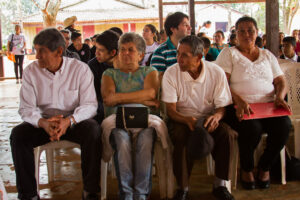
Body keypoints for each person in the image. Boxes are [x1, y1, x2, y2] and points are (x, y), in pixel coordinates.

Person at [10, 28, 101, 200]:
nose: (37, 57)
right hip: (44, 123)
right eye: (36, 51)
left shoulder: (80, 69)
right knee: (18, 135)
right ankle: (28, 195)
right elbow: (26, 108)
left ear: (59, 51)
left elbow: (90, 105)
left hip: (73, 121)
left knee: (93, 130)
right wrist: (43, 123)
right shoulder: (31, 72)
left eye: (41, 52)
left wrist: (69, 121)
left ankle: (91, 190)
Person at [216, 16, 291, 190]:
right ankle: (247, 168)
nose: (246, 34)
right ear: (235, 34)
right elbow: (221, 83)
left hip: (267, 107)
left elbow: (281, 81)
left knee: (284, 126)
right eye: (241, 31)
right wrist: (238, 99)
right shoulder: (229, 53)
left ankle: (264, 167)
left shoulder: (267, 55)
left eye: (250, 30)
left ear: (257, 32)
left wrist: (279, 96)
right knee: (252, 129)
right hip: (237, 107)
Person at [162, 35, 236, 200]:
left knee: (227, 134)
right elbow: (171, 111)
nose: (179, 59)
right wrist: (187, 120)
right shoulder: (171, 73)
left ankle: (220, 184)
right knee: (180, 136)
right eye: (178, 54)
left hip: (207, 118)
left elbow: (222, 106)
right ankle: (183, 187)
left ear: (199, 57)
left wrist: (216, 116)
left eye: (184, 55)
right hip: (181, 119)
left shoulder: (215, 72)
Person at [101, 32, 159, 200]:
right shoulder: (109, 74)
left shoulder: (150, 71)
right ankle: (126, 194)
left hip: (145, 122)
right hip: (118, 122)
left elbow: (151, 92)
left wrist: (119, 97)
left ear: (141, 54)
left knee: (146, 139)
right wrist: (145, 100)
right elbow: (108, 100)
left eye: (131, 50)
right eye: (122, 49)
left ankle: (141, 194)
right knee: (122, 140)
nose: (125, 53)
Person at [88, 30, 120, 123]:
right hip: (101, 108)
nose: (96, 53)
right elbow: (94, 97)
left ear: (113, 52)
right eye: (96, 48)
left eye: (101, 50)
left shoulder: (125, 64)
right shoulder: (92, 65)